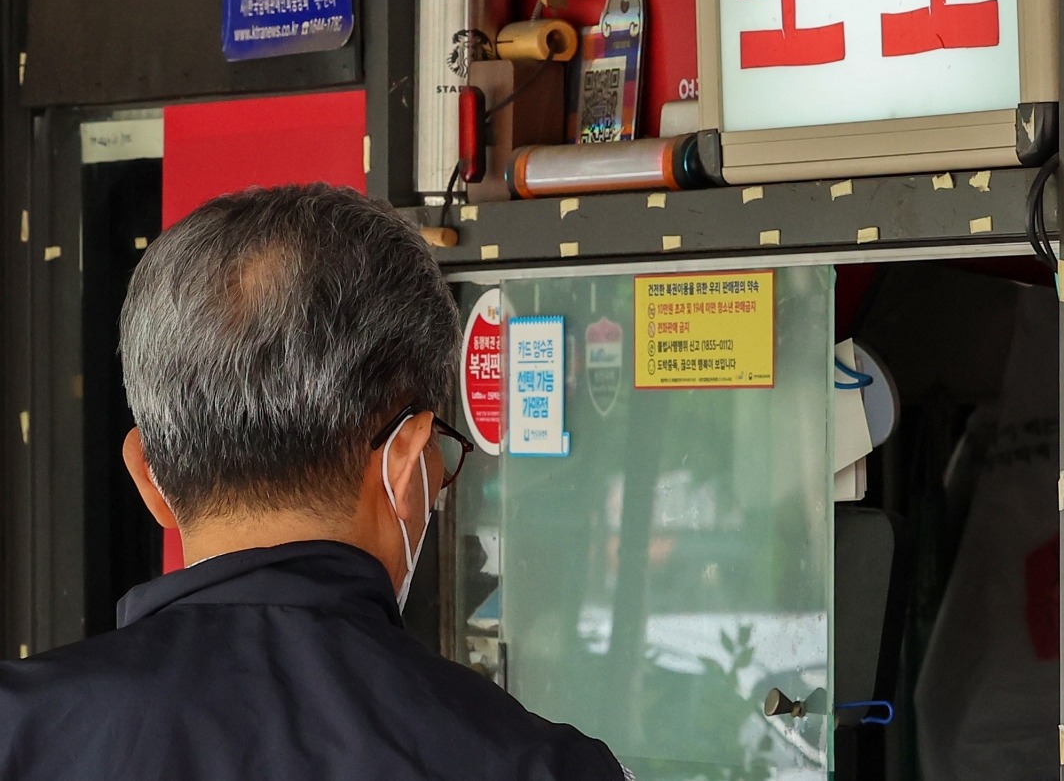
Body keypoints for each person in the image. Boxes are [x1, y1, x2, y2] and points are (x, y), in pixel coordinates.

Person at [0, 184, 625, 781]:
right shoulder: (544, 768)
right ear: (404, 465)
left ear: (150, 479)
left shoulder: (18, 735)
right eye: (440, 458)